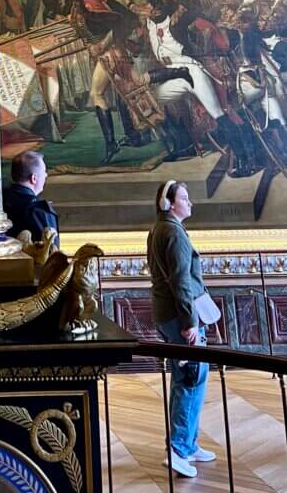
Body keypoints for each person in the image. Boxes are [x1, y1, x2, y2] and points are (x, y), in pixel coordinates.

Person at [147, 180, 218, 479]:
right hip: (180, 318)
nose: (190, 203)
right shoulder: (172, 232)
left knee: (187, 377)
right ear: (169, 203)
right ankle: (177, 450)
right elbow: (181, 282)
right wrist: (190, 323)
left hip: (168, 314)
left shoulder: (159, 228)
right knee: (190, 379)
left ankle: (188, 444)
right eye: (185, 198)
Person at [3, 151, 59, 244]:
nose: (46, 175)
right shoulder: (39, 211)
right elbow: (51, 254)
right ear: (34, 178)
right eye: (44, 172)